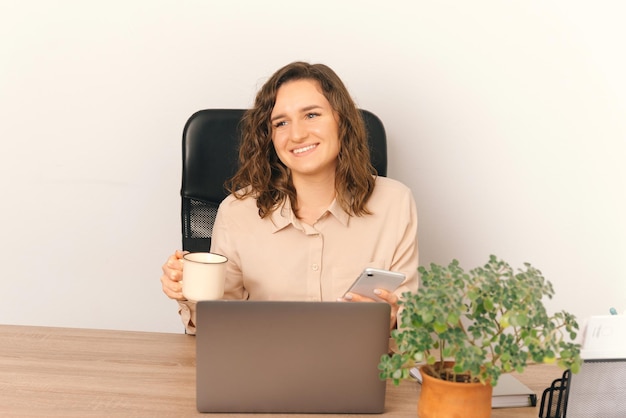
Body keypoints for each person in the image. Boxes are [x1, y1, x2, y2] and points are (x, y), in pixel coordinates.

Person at [161, 61, 418, 334]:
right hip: (260, 368)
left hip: (357, 371)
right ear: (269, 137)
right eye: (281, 123)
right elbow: (216, 324)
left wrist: (394, 319)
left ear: (341, 120)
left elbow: (412, 329)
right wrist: (186, 291)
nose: (296, 134)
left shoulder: (394, 203)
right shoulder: (237, 211)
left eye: (311, 115)